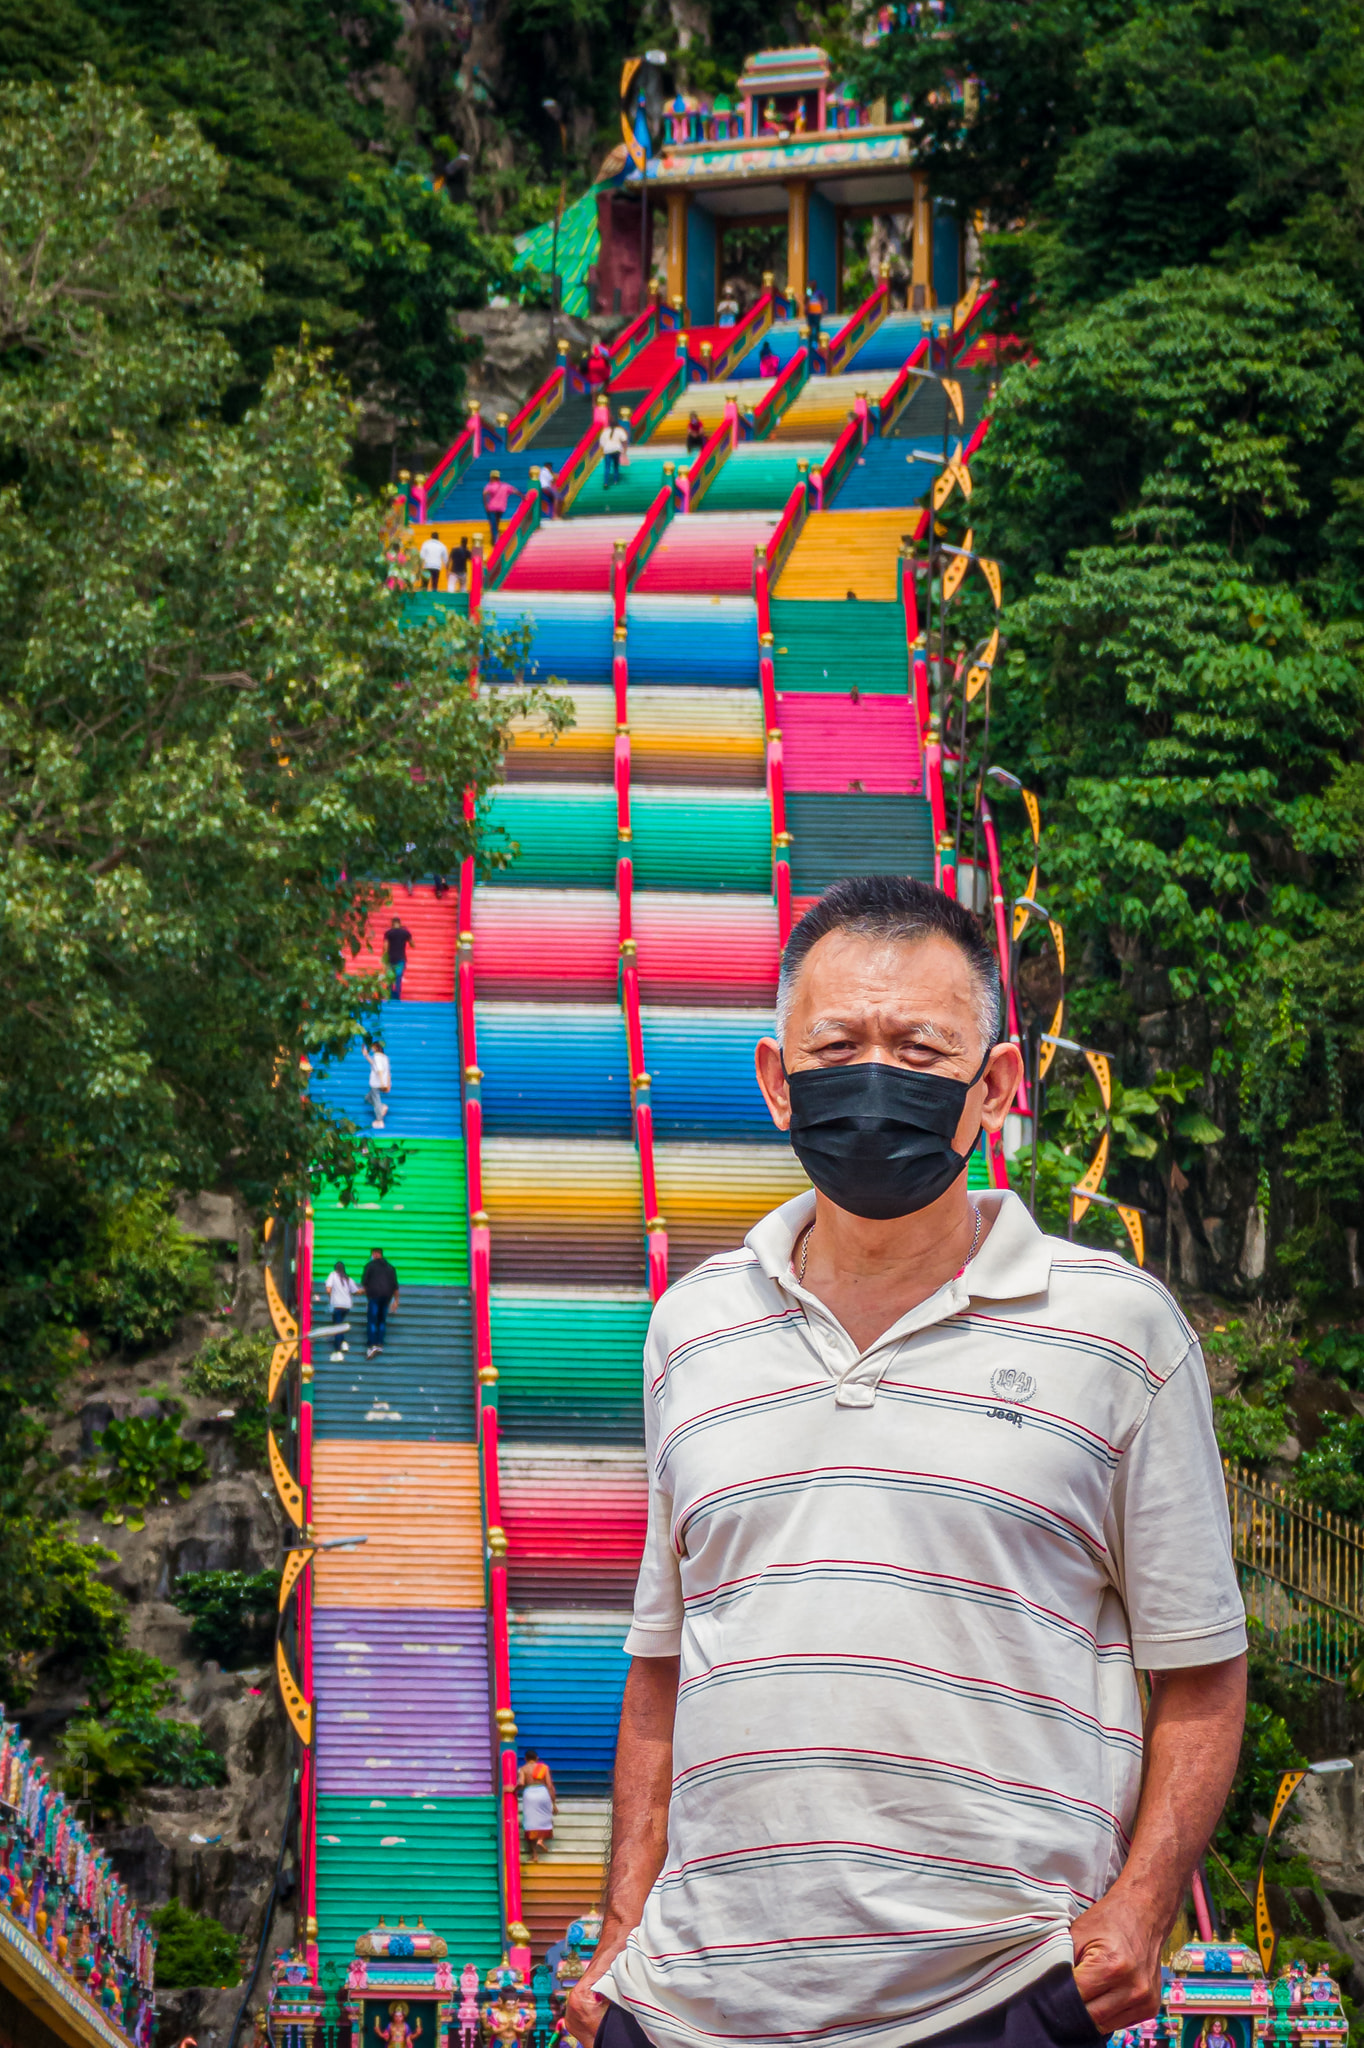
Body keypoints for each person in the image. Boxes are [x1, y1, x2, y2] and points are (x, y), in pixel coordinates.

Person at [566, 872, 1248, 2048]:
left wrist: (1139, 1911)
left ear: (989, 1085)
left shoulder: (1118, 1331)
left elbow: (1202, 1667)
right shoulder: (689, 1327)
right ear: (778, 1079)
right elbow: (666, 1659)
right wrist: (621, 1923)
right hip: (689, 2004)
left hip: (991, 1992)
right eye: (836, 1043)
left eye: (918, 1047)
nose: (873, 1076)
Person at [360, 1247, 400, 1358]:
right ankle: (380, 1343)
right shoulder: (391, 1268)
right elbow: (395, 1286)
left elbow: (364, 1282)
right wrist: (396, 1301)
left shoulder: (370, 1266)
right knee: (382, 1321)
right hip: (386, 1298)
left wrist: (363, 1291)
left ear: (375, 1254)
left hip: (374, 1297)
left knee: (372, 1320)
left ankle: (372, 1344)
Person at [517, 1750, 557, 1861]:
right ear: (537, 1758)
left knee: (530, 1824)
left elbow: (521, 1783)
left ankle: (534, 1855)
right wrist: (553, 1804)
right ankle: (541, 1840)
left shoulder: (523, 1769)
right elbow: (549, 1785)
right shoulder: (544, 1768)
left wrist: (513, 1789)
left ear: (525, 1759)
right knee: (546, 1820)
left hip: (529, 1795)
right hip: (542, 1793)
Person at [323, 1259, 356, 1362]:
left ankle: (338, 1349)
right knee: (339, 1323)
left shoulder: (333, 1275)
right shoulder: (347, 1278)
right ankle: (343, 1342)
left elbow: (328, 1289)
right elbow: (355, 1290)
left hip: (337, 1304)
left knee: (337, 1326)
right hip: (347, 1305)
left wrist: (331, 1296)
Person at [362, 1036, 391, 1128]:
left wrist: (382, 1082)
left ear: (375, 1047)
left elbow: (380, 1070)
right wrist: (366, 1055)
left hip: (376, 1083)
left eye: (372, 1047)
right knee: (368, 1098)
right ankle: (382, 1107)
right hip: (380, 1082)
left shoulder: (377, 1056)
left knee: (376, 1100)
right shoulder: (383, 1057)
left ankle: (379, 1121)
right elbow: (374, 1064)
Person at [482, 469, 518, 543]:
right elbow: (515, 491)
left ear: (492, 478)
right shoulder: (505, 485)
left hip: (492, 508)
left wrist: (486, 504)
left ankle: (495, 540)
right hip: (501, 508)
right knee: (496, 522)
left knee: (493, 524)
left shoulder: (489, 486)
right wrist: (523, 497)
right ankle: (495, 538)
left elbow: (484, 494)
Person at [384, 914, 414, 997]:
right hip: (401, 959)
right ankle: (397, 996)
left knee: (389, 978)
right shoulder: (405, 933)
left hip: (390, 959)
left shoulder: (388, 933)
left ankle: (389, 995)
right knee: (398, 978)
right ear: (400, 923)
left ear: (392, 924)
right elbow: (413, 945)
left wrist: (385, 959)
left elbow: (385, 947)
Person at [600, 415, 629, 487]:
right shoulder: (620, 430)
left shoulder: (605, 431)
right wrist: (624, 450)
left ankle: (605, 483)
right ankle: (615, 481)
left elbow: (602, 443)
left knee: (607, 467)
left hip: (607, 451)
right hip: (616, 450)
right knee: (616, 466)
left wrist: (602, 452)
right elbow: (624, 440)